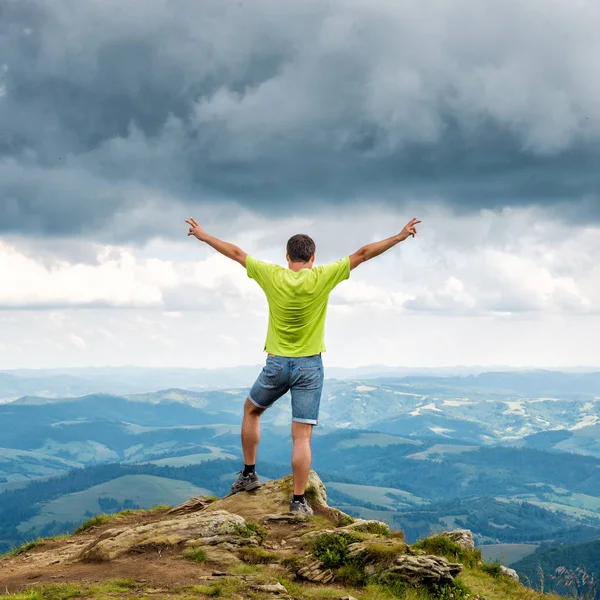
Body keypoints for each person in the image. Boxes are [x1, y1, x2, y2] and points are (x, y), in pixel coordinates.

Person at [186, 216, 421, 513]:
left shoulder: (271, 274)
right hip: (309, 366)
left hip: (276, 363)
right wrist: (399, 237)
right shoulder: (322, 276)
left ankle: (248, 474)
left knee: (251, 410)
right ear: (312, 257)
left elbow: (236, 253)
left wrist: (204, 236)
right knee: (301, 436)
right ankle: (298, 502)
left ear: (286, 257)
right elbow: (363, 254)